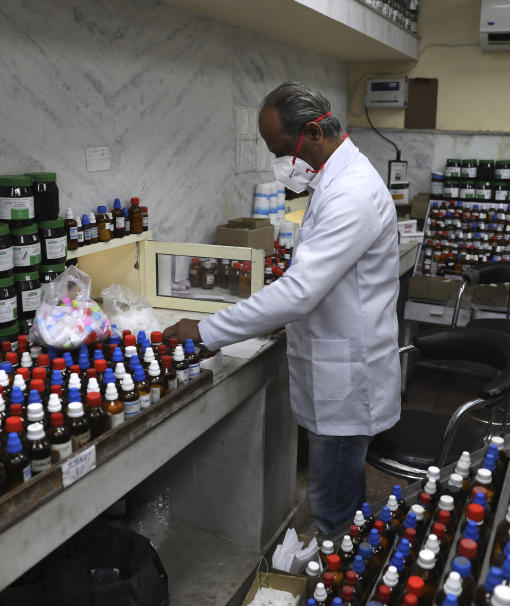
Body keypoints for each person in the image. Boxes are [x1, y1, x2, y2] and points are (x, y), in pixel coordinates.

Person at [163, 81, 400, 534]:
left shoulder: (351, 193)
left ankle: (340, 579)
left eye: (279, 150)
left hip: (346, 378)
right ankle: (342, 560)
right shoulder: (336, 179)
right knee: (335, 491)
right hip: (337, 364)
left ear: (313, 133)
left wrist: (206, 331)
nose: (279, 165)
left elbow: (299, 292)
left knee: (332, 504)